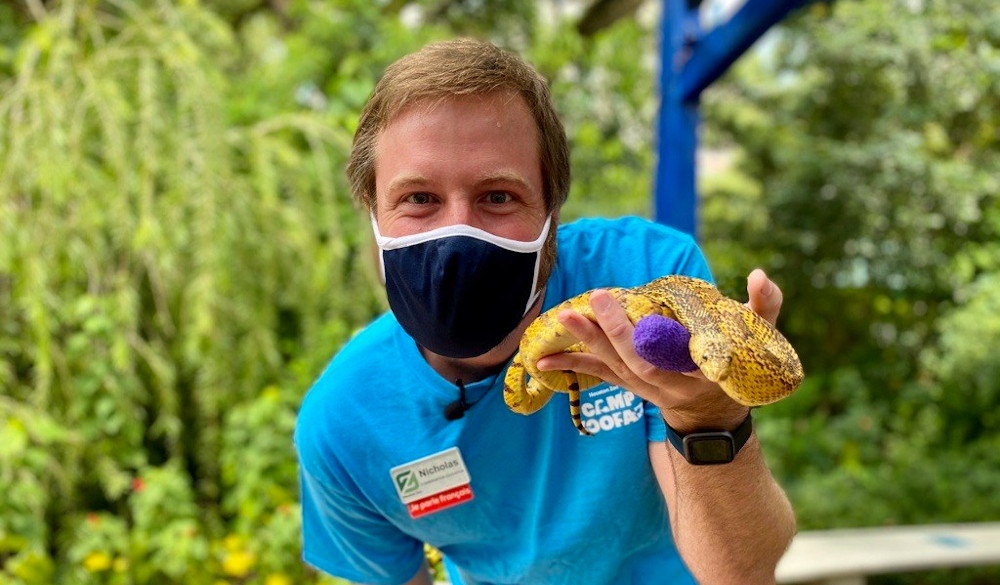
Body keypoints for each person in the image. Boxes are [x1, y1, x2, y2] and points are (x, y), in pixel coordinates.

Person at [294, 38, 796, 585]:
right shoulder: (345, 421)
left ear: (551, 210)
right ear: (372, 213)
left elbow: (741, 574)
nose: (456, 231)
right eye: (419, 198)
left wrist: (707, 416)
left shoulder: (647, 281)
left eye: (498, 196)